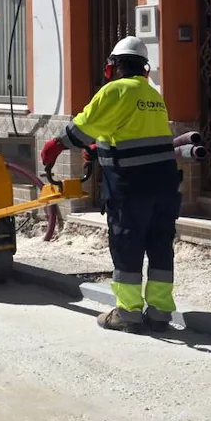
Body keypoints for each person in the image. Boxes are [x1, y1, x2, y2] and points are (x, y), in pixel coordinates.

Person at [41, 36, 180, 334]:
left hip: (132, 187)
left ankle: (128, 313)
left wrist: (56, 144)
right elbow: (131, 133)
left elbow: (82, 127)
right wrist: (98, 148)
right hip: (165, 186)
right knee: (159, 246)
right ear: (144, 69)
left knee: (127, 244)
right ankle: (159, 313)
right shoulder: (152, 95)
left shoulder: (114, 91)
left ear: (112, 67)